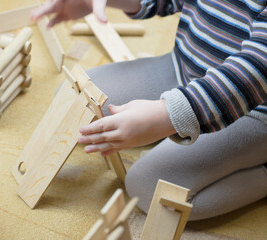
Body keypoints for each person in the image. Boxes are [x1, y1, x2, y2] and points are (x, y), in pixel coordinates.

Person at [31, 0, 267, 220]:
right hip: (181, 68)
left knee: (149, 189)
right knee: (75, 103)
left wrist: (168, 115)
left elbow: (258, 67)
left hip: (252, 108)